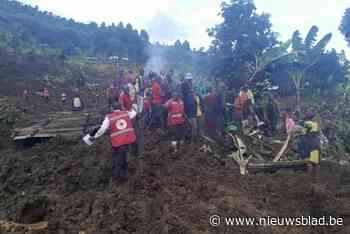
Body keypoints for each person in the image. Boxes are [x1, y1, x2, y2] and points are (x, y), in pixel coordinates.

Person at [89, 102, 137, 183]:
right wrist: (134, 107)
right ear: (120, 107)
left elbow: (102, 130)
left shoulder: (109, 117)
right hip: (127, 141)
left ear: (112, 109)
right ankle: (121, 176)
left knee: (119, 160)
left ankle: (119, 179)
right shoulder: (126, 113)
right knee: (122, 158)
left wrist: (94, 136)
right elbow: (134, 113)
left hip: (117, 143)